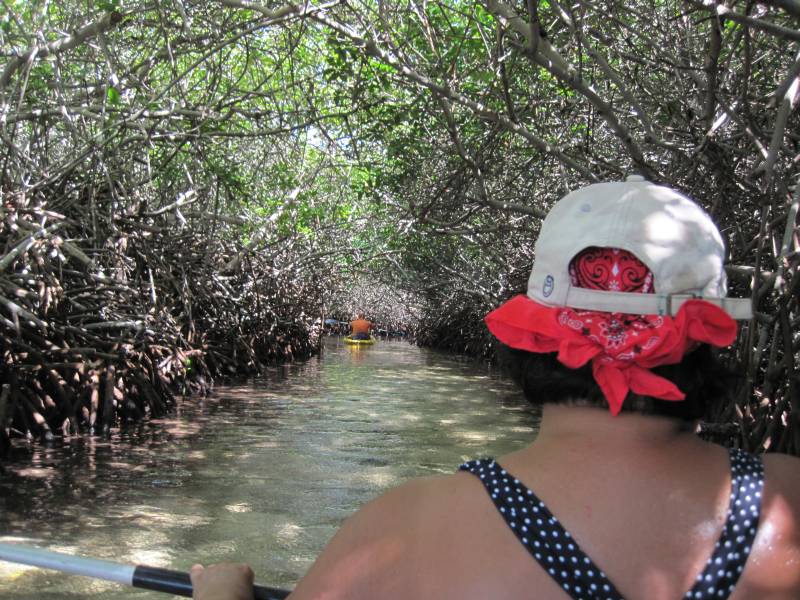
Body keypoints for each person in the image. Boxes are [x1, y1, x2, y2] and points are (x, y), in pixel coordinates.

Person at [192, 176, 800, 599]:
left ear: (531, 334)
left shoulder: (404, 528)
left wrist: (222, 594)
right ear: (713, 335)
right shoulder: (788, 503)